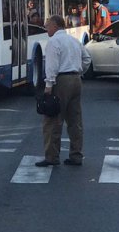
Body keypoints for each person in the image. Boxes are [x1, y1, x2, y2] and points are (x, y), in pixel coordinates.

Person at [35, 15, 92, 168]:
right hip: (75, 80)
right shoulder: (74, 40)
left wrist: (48, 86)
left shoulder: (54, 42)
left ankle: (52, 156)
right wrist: (79, 73)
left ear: (54, 26)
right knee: (75, 120)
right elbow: (87, 59)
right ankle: (76, 155)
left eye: (47, 26)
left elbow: (52, 66)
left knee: (52, 120)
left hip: (61, 81)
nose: (46, 29)